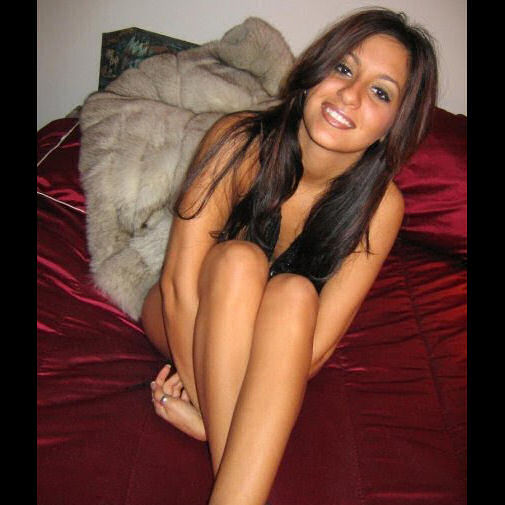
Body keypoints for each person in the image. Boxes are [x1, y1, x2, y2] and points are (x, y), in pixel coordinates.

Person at [141, 7, 438, 505]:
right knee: (239, 261)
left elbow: (315, 349)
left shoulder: (382, 207)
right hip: (187, 316)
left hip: (278, 337)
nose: (349, 95)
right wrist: (214, 412)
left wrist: (210, 422)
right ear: (316, 69)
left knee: (297, 293)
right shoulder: (238, 142)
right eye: (343, 68)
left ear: (395, 123)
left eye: (380, 92)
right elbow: (178, 288)